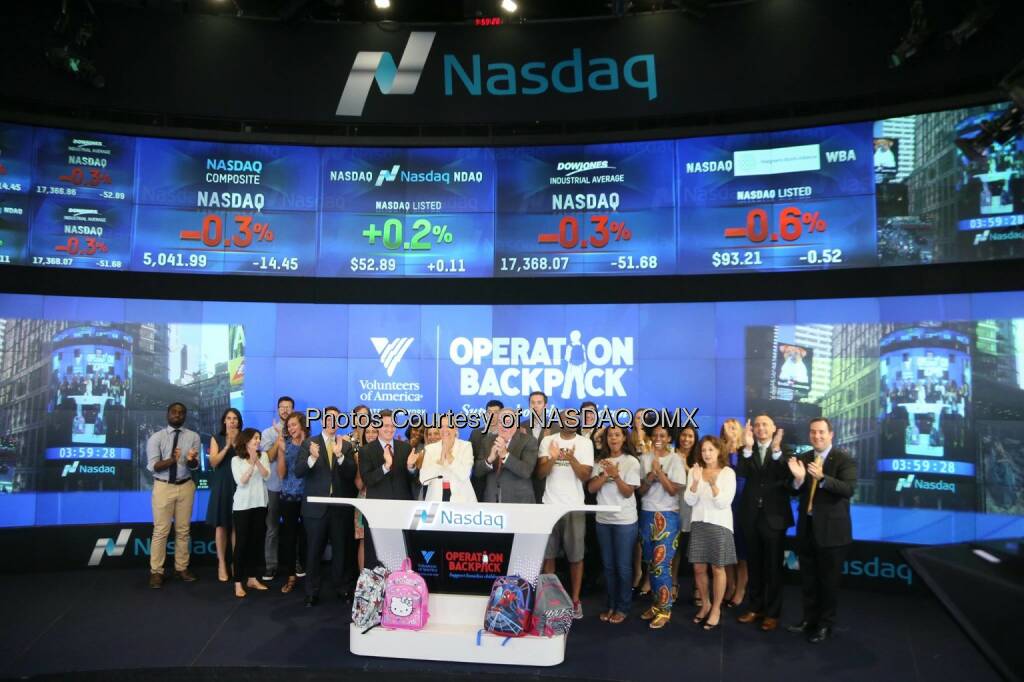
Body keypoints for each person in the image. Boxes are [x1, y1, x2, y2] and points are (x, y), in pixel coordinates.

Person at [786, 417, 857, 643]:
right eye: (813, 432)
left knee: (828, 583)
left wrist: (823, 478)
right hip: (806, 530)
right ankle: (808, 620)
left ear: (831, 434)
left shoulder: (844, 459)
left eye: (821, 432)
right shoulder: (804, 458)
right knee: (808, 580)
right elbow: (794, 491)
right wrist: (797, 480)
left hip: (832, 534)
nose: (817, 436)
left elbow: (848, 489)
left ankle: (825, 626)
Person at [295, 406, 358, 607]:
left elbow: (350, 473)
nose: (332, 423)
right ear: (323, 421)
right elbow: (298, 471)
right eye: (329, 419)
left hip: (339, 508)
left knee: (341, 550)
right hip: (315, 509)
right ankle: (311, 592)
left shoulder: (345, 445)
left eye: (336, 420)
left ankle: (341, 588)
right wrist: (312, 458)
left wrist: (340, 456)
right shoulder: (309, 443)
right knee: (313, 551)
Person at [736, 415, 793, 632]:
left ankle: (772, 613)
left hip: (774, 518)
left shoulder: (784, 451)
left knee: (773, 568)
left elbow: (786, 475)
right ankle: (755, 608)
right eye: (757, 425)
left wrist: (777, 450)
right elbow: (742, 472)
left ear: (773, 428)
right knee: (755, 566)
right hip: (751, 517)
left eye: (764, 425)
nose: (760, 428)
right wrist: (748, 448)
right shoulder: (745, 450)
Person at [537, 408, 595, 619]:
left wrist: (570, 458)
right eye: (564, 418)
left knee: (576, 557)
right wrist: (553, 458)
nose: (568, 421)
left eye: (572, 418)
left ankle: (575, 601)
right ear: (559, 421)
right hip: (549, 505)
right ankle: (550, 602)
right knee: (549, 556)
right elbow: (541, 473)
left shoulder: (584, 443)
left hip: (574, 506)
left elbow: (585, 476)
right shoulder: (548, 441)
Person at [587, 424, 641, 625]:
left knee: (623, 567)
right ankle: (610, 605)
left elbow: (628, 492)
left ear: (624, 438)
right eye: (610, 435)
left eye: (617, 435)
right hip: (603, 520)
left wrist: (616, 476)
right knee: (608, 567)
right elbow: (592, 489)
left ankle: (623, 607)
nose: (614, 438)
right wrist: (605, 474)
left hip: (625, 522)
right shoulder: (600, 462)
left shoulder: (631, 462)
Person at [684, 435, 737, 632]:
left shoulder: (727, 473)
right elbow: (689, 501)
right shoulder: (695, 471)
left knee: (717, 568)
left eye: (711, 450)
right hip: (698, 523)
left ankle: (716, 608)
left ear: (719, 451)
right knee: (698, 568)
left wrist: (714, 484)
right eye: (704, 450)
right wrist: (696, 482)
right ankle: (705, 603)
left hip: (719, 524)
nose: (707, 454)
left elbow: (723, 503)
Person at [145, 402, 201, 588]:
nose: (178, 415)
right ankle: (156, 572)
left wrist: (191, 460)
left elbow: (195, 466)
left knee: (183, 530)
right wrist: (173, 460)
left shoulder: (193, 437)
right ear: (168, 414)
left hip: (185, 486)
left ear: (185, 416)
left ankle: (181, 568)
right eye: (174, 412)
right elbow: (154, 466)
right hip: (163, 487)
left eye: (181, 413)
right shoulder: (156, 438)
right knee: (161, 531)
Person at [637, 425, 686, 629]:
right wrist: (650, 477)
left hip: (668, 515)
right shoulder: (644, 458)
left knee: (661, 565)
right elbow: (640, 490)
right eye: (655, 434)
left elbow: (674, 490)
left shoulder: (676, 459)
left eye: (662, 435)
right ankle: (657, 605)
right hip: (647, 513)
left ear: (668, 439)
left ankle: (666, 609)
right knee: (650, 563)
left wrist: (659, 473)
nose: (658, 438)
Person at [358, 409, 416, 568]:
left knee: (403, 553)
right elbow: (367, 480)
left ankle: (402, 587)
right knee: (375, 554)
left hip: (402, 510)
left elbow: (413, 480)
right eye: (385, 425)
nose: (390, 429)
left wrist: (411, 467)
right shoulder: (366, 450)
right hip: (377, 511)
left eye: (392, 425)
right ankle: (375, 589)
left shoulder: (405, 448)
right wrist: (385, 466)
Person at [230, 428, 271, 598]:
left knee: (256, 542)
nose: (257, 441)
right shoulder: (236, 459)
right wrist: (252, 463)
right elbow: (241, 481)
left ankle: (252, 578)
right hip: (242, 506)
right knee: (242, 544)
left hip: (260, 504)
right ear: (246, 440)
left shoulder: (264, 456)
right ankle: (238, 582)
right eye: (255, 438)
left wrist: (258, 461)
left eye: (259, 438)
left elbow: (266, 476)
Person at [205, 407, 242, 583]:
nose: (232, 421)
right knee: (221, 526)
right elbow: (213, 462)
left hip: (240, 486)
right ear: (224, 421)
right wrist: (227, 445)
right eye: (229, 418)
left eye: (235, 418)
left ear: (239, 421)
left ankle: (236, 563)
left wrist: (236, 443)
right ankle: (222, 563)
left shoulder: (244, 438)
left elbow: (247, 459)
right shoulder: (216, 438)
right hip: (222, 485)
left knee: (236, 526)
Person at [260, 396, 294, 582]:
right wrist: (279, 437)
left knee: (292, 529)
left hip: (293, 488)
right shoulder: (267, 433)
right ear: (278, 410)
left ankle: (294, 564)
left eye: (288, 407)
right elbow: (269, 458)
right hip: (273, 486)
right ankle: (271, 566)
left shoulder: (299, 431)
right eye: (282, 407)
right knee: (272, 528)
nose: (285, 410)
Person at [274, 411, 308, 594]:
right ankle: (290, 576)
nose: (291, 428)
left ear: (302, 425)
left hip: (308, 498)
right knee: (288, 538)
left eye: (294, 424)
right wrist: (281, 451)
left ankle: (308, 573)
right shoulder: (284, 445)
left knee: (308, 537)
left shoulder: (312, 443)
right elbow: (281, 474)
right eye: (289, 426)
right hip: (288, 497)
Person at [475, 407, 539, 504]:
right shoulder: (488, 440)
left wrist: (505, 455)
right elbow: (477, 472)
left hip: (519, 501)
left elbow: (526, 471)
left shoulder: (529, 441)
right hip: (492, 500)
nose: (504, 425)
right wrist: (489, 459)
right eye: (501, 421)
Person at [720, 418, 749, 610]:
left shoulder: (746, 452)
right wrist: (728, 446)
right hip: (724, 507)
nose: (730, 431)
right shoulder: (719, 451)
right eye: (727, 429)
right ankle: (729, 586)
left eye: (734, 428)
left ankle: (740, 589)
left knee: (742, 553)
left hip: (743, 507)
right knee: (728, 552)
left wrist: (736, 445)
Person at [420, 415, 476, 503]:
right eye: (441, 426)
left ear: (455, 428)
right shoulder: (431, 449)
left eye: (449, 426)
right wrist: (440, 461)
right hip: (435, 498)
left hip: (462, 500)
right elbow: (423, 479)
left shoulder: (466, 446)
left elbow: (464, 474)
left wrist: (448, 454)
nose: (445, 430)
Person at [672, 424, 699, 606]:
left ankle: (698, 588)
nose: (686, 439)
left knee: (696, 552)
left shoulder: (699, 458)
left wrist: (688, 469)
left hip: (695, 511)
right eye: (683, 435)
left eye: (690, 436)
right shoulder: (671, 454)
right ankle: (673, 584)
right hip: (674, 508)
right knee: (675, 551)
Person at [523, 391, 554, 503]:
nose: (535, 406)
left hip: (548, 481)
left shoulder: (555, 427)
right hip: (525, 481)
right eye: (532, 403)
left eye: (539, 403)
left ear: (545, 405)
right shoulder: (520, 427)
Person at [471, 400, 504, 501]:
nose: (492, 416)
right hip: (480, 485)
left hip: (504, 485)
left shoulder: (508, 432)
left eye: (496, 412)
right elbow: (471, 459)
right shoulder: (476, 434)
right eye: (489, 412)